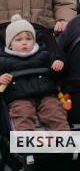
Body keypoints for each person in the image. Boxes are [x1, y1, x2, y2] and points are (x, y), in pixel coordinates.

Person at [0, 14, 69, 160]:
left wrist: (58, 62)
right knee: (22, 115)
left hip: (46, 95)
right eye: (19, 40)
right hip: (19, 98)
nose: (24, 43)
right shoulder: (4, 60)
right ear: (10, 44)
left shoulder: (43, 54)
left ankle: (63, 140)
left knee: (55, 112)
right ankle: (27, 144)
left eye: (28, 39)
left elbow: (57, 59)